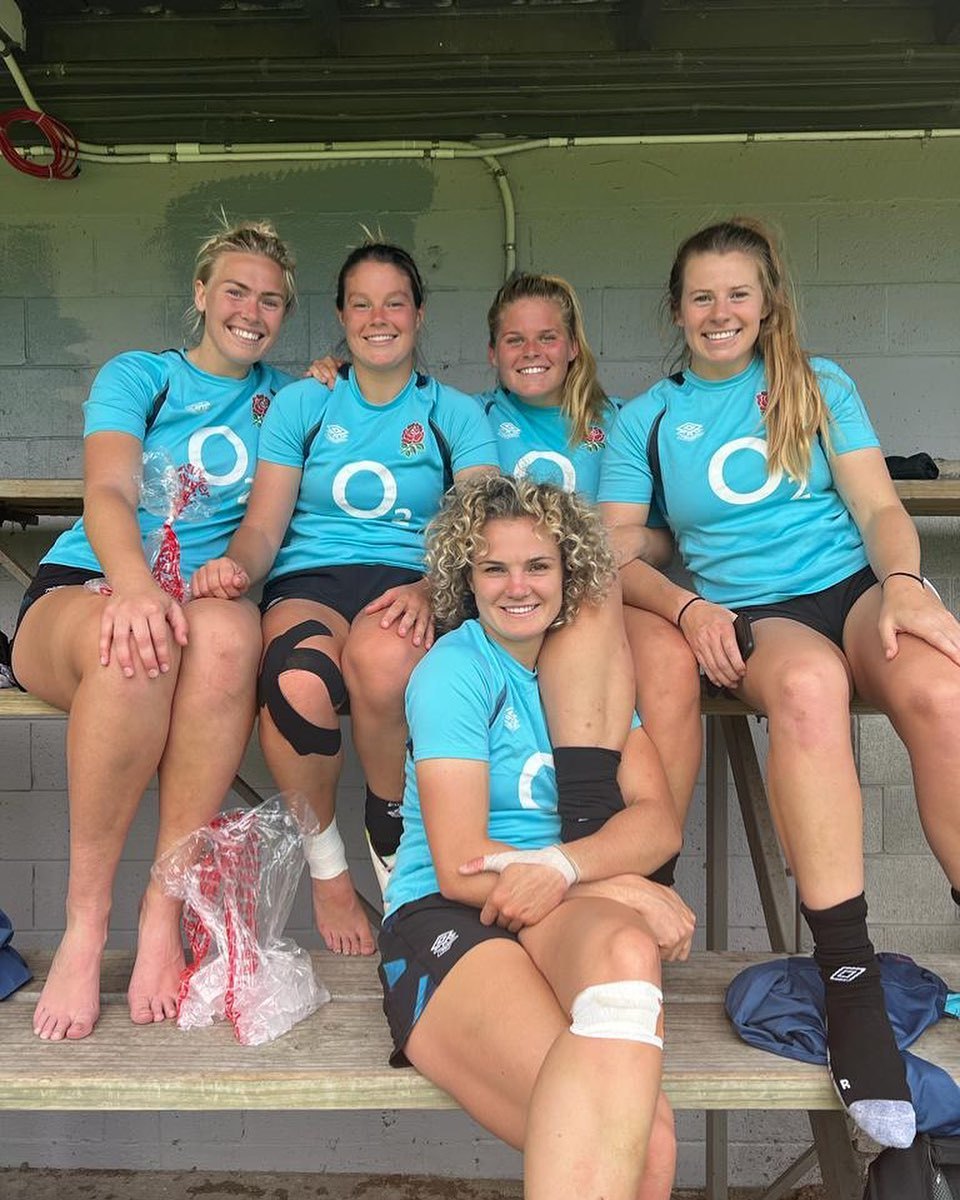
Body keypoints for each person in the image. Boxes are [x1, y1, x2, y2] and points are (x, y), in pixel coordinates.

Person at [598, 216, 960, 1149]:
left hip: (852, 589)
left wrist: (905, 584)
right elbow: (614, 554)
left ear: (767, 304)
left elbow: (877, 505)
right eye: (702, 296)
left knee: (944, 690)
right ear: (676, 310)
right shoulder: (648, 418)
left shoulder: (816, 383)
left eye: (738, 294)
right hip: (752, 610)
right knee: (807, 689)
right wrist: (686, 608)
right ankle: (850, 984)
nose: (720, 312)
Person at [11, 218, 297, 1041]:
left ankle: (163, 907)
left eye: (270, 300)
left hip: (197, 604)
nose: (250, 311)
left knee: (231, 638)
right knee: (134, 646)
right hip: (89, 588)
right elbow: (107, 490)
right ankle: (86, 923)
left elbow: (264, 526)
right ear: (201, 294)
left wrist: (235, 568)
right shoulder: (141, 375)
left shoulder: (287, 400)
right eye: (235, 291)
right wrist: (134, 587)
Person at [379, 473, 690, 1200]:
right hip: (449, 913)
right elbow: (462, 866)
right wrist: (613, 885)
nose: (517, 587)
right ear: (467, 578)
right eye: (495, 568)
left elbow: (655, 821)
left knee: (627, 949)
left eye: (538, 566)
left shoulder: (579, 673)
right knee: (645, 1148)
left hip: (550, 902)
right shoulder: (456, 671)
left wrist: (567, 867)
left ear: (567, 572)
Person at [191, 242, 498, 957]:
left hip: (410, 579)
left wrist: (433, 587)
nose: (378, 317)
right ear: (341, 315)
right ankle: (328, 869)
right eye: (362, 303)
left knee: (384, 661)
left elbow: (481, 524)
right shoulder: (305, 401)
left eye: (394, 302)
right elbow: (264, 526)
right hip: (313, 580)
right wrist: (236, 566)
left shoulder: (454, 412)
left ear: (419, 314)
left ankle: (388, 825)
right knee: (295, 680)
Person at [482, 272, 702, 833]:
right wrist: (331, 375)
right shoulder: (473, 419)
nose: (532, 352)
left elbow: (662, 541)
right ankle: (591, 824)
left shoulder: (620, 421)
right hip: (514, 601)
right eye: (514, 340)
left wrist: (634, 539)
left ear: (573, 346)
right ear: (492, 352)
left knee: (672, 661)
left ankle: (655, 855)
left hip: (607, 593)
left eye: (548, 337)